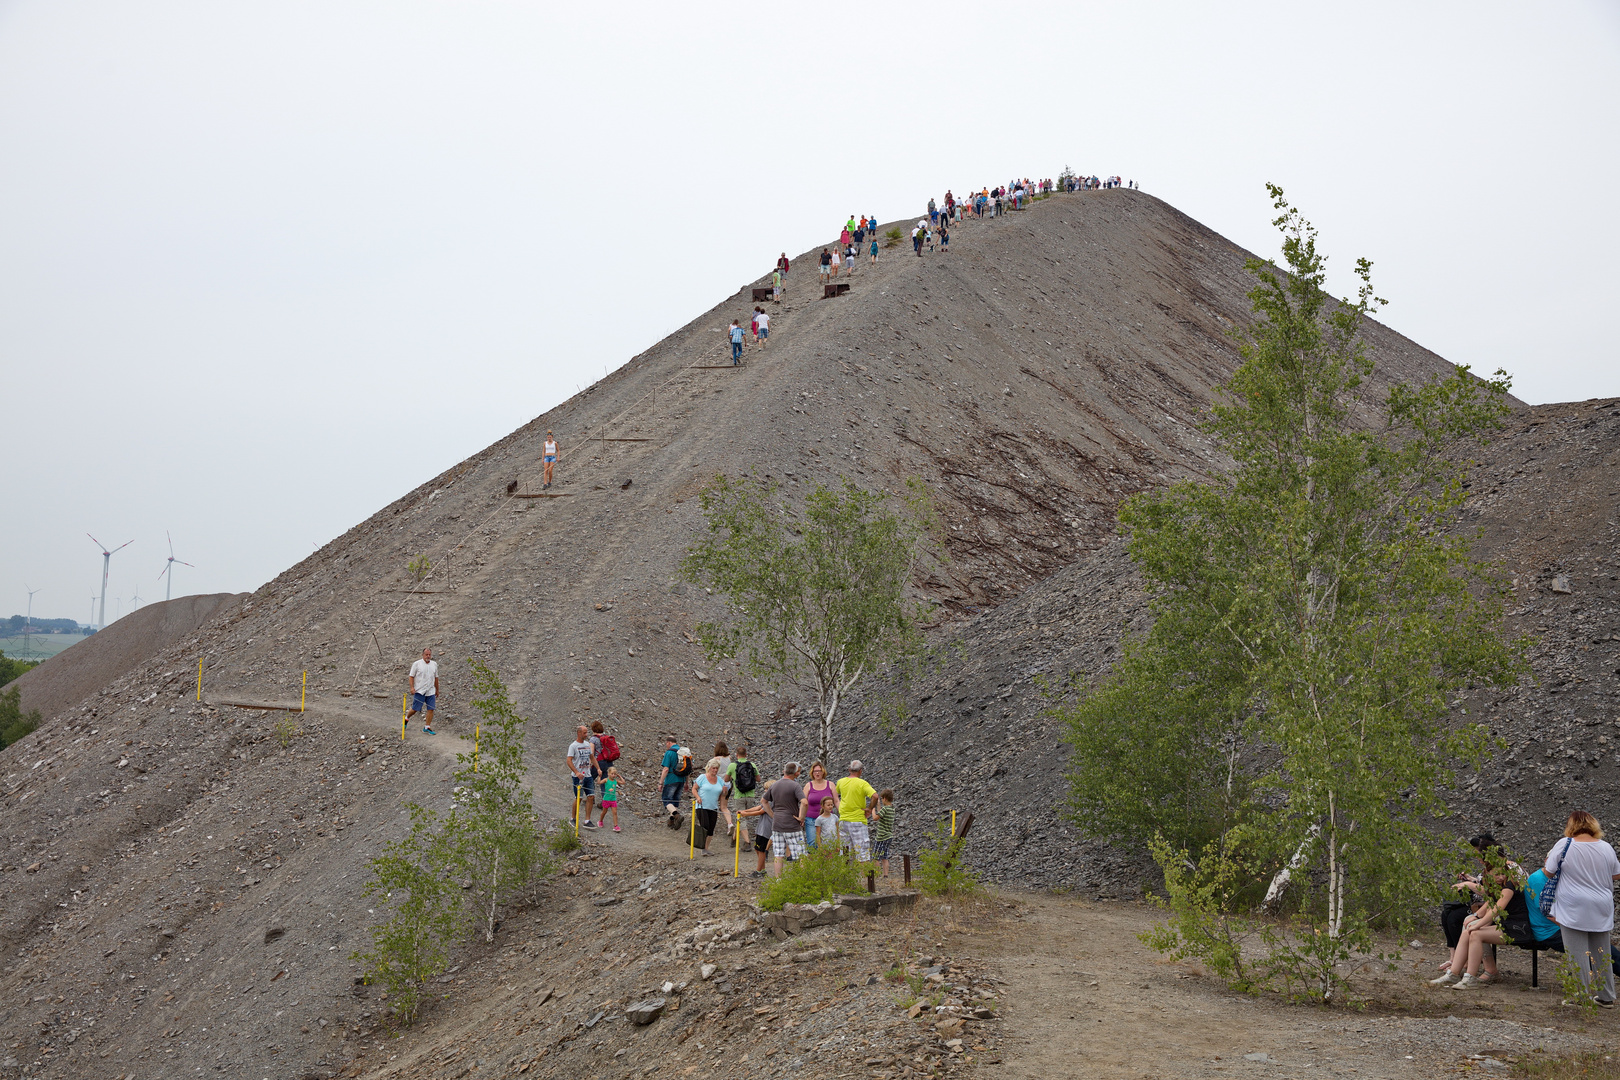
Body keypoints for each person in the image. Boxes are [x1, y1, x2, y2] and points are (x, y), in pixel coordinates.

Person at [1544, 811, 1620, 1007]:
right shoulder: (1606, 847)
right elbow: (1616, 874)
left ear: (1571, 826)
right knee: (1602, 951)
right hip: (1601, 904)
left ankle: (1580, 995)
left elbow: (1548, 872)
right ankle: (1607, 996)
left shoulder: (1565, 844)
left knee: (1577, 952)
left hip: (1573, 905)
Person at [1431, 843, 1525, 988]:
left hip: (1518, 927)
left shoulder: (1509, 886)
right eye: (1496, 874)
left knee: (1475, 932)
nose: (1500, 877)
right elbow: (1491, 903)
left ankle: (1470, 978)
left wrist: (1477, 924)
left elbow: (1497, 909)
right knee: (1469, 924)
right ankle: (1454, 974)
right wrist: (1475, 917)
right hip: (1507, 925)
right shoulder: (1498, 887)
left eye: (1502, 874)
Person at [764, 761, 807, 877]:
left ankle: (778, 880)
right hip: (792, 823)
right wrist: (801, 817)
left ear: (784, 771)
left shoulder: (774, 785)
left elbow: (764, 801)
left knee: (778, 854)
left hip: (777, 823)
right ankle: (802, 879)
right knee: (801, 853)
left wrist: (772, 814)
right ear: (796, 773)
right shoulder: (795, 785)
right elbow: (804, 802)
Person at [835, 760, 878, 861]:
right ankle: (864, 876)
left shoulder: (841, 782)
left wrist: (841, 806)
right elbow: (875, 796)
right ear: (860, 771)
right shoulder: (862, 783)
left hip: (843, 820)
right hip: (858, 820)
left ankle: (847, 876)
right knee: (862, 853)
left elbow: (835, 796)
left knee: (845, 853)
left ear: (849, 769)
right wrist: (869, 808)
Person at [728, 744, 762, 851]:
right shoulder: (752, 764)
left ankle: (747, 843)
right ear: (746, 754)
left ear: (736, 755)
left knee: (741, 818)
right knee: (743, 818)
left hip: (739, 795)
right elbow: (758, 779)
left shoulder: (732, 766)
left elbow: (725, 779)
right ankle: (734, 838)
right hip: (751, 795)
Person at [566, 724, 598, 829]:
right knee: (578, 798)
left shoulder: (587, 744)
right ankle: (573, 818)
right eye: (584, 733)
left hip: (588, 775)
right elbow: (569, 760)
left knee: (591, 796)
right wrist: (576, 772)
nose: (586, 734)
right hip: (577, 777)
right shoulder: (573, 746)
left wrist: (598, 768)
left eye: (587, 732)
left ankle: (587, 820)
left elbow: (592, 757)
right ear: (579, 733)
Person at [693, 760, 727, 857]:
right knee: (705, 826)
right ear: (709, 768)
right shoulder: (702, 777)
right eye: (713, 768)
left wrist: (724, 792)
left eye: (716, 768)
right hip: (702, 806)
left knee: (711, 828)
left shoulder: (720, 780)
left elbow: (722, 795)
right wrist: (698, 797)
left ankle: (706, 848)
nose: (715, 770)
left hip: (713, 807)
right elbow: (694, 788)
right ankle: (702, 848)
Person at [802, 762, 837, 849]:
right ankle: (814, 862)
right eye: (815, 771)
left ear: (823, 772)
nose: (817, 773)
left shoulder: (831, 785)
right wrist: (801, 817)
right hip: (811, 819)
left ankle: (827, 861)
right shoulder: (808, 785)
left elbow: (836, 801)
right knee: (813, 843)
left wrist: (842, 814)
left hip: (828, 819)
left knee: (829, 841)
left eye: (819, 771)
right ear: (812, 773)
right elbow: (803, 803)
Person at [405, 647, 439, 735]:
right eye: (426, 654)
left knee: (431, 709)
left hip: (430, 690)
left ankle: (427, 727)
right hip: (420, 690)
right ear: (422, 655)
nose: (428, 656)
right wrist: (412, 688)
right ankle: (406, 718)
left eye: (429, 655)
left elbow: (436, 678)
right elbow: (411, 676)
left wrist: (437, 690)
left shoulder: (434, 664)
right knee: (415, 709)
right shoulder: (417, 664)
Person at [658, 735, 684, 828]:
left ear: (669, 742)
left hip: (671, 779)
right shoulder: (683, 752)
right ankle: (672, 821)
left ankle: (677, 815)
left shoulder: (669, 753)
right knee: (675, 801)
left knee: (667, 800)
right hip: (682, 779)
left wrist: (661, 782)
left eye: (666, 743)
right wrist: (687, 782)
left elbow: (665, 769)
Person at [707, 741, 733, 834]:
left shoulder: (716, 759)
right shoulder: (729, 758)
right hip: (727, 784)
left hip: (717, 783)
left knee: (712, 803)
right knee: (724, 807)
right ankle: (730, 824)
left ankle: (708, 822)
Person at [873, 789, 897, 876]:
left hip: (881, 837)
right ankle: (885, 875)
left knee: (876, 857)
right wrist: (878, 805)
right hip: (888, 836)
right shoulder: (891, 809)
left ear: (885, 799)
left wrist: (872, 809)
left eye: (882, 798)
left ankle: (877, 874)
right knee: (885, 857)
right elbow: (881, 814)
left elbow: (875, 818)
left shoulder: (885, 809)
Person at [596, 766, 622, 832]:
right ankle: (600, 821)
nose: (613, 775)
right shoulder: (606, 780)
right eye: (612, 774)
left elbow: (623, 782)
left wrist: (620, 776)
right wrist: (599, 776)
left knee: (615, 812)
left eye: (615, 774)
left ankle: (616, 826)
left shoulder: (615, 781)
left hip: (613, 799)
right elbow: (599, 782)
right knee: (604, 811)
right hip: (606, 799)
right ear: (608, 774)